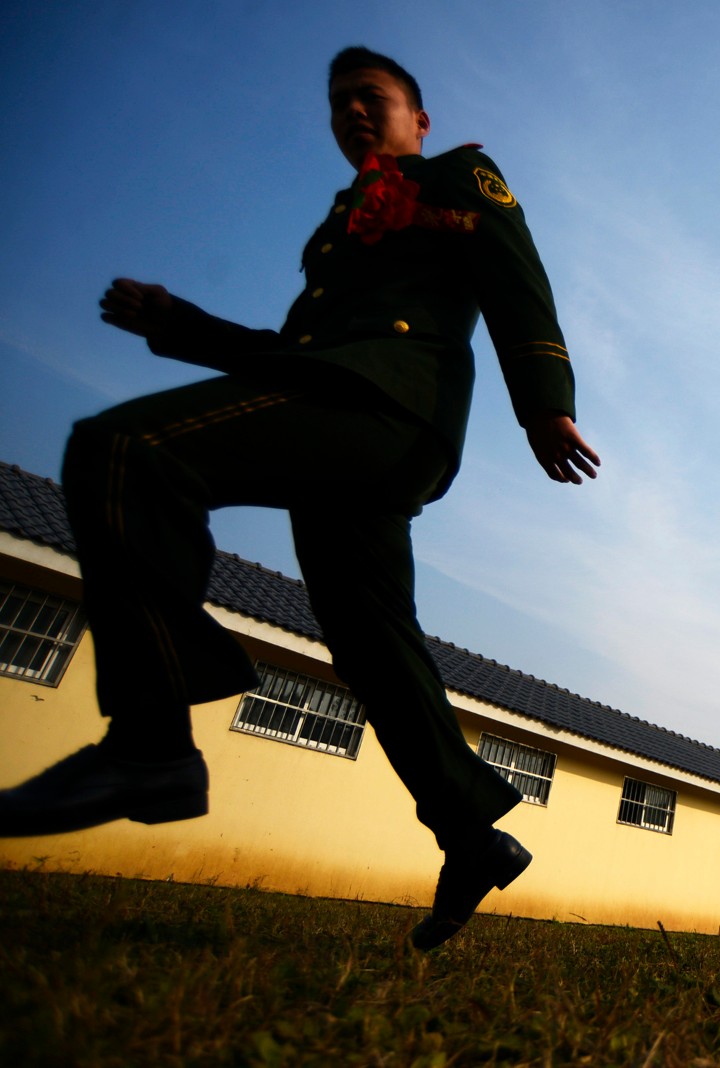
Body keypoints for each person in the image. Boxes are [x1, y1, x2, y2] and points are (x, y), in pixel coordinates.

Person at [0, 47, 599, 951]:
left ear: (418, 119)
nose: (352, 111)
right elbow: (295, 353)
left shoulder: (457, 175)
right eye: (338, 103)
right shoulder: (334, 229)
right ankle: (469, 834)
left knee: (126, 450)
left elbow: (518, 278)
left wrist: (545, 405)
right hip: (335, 405)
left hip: (386, 408)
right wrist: (180, 323)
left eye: (372, 97)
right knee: (371, 646)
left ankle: (150, 744)